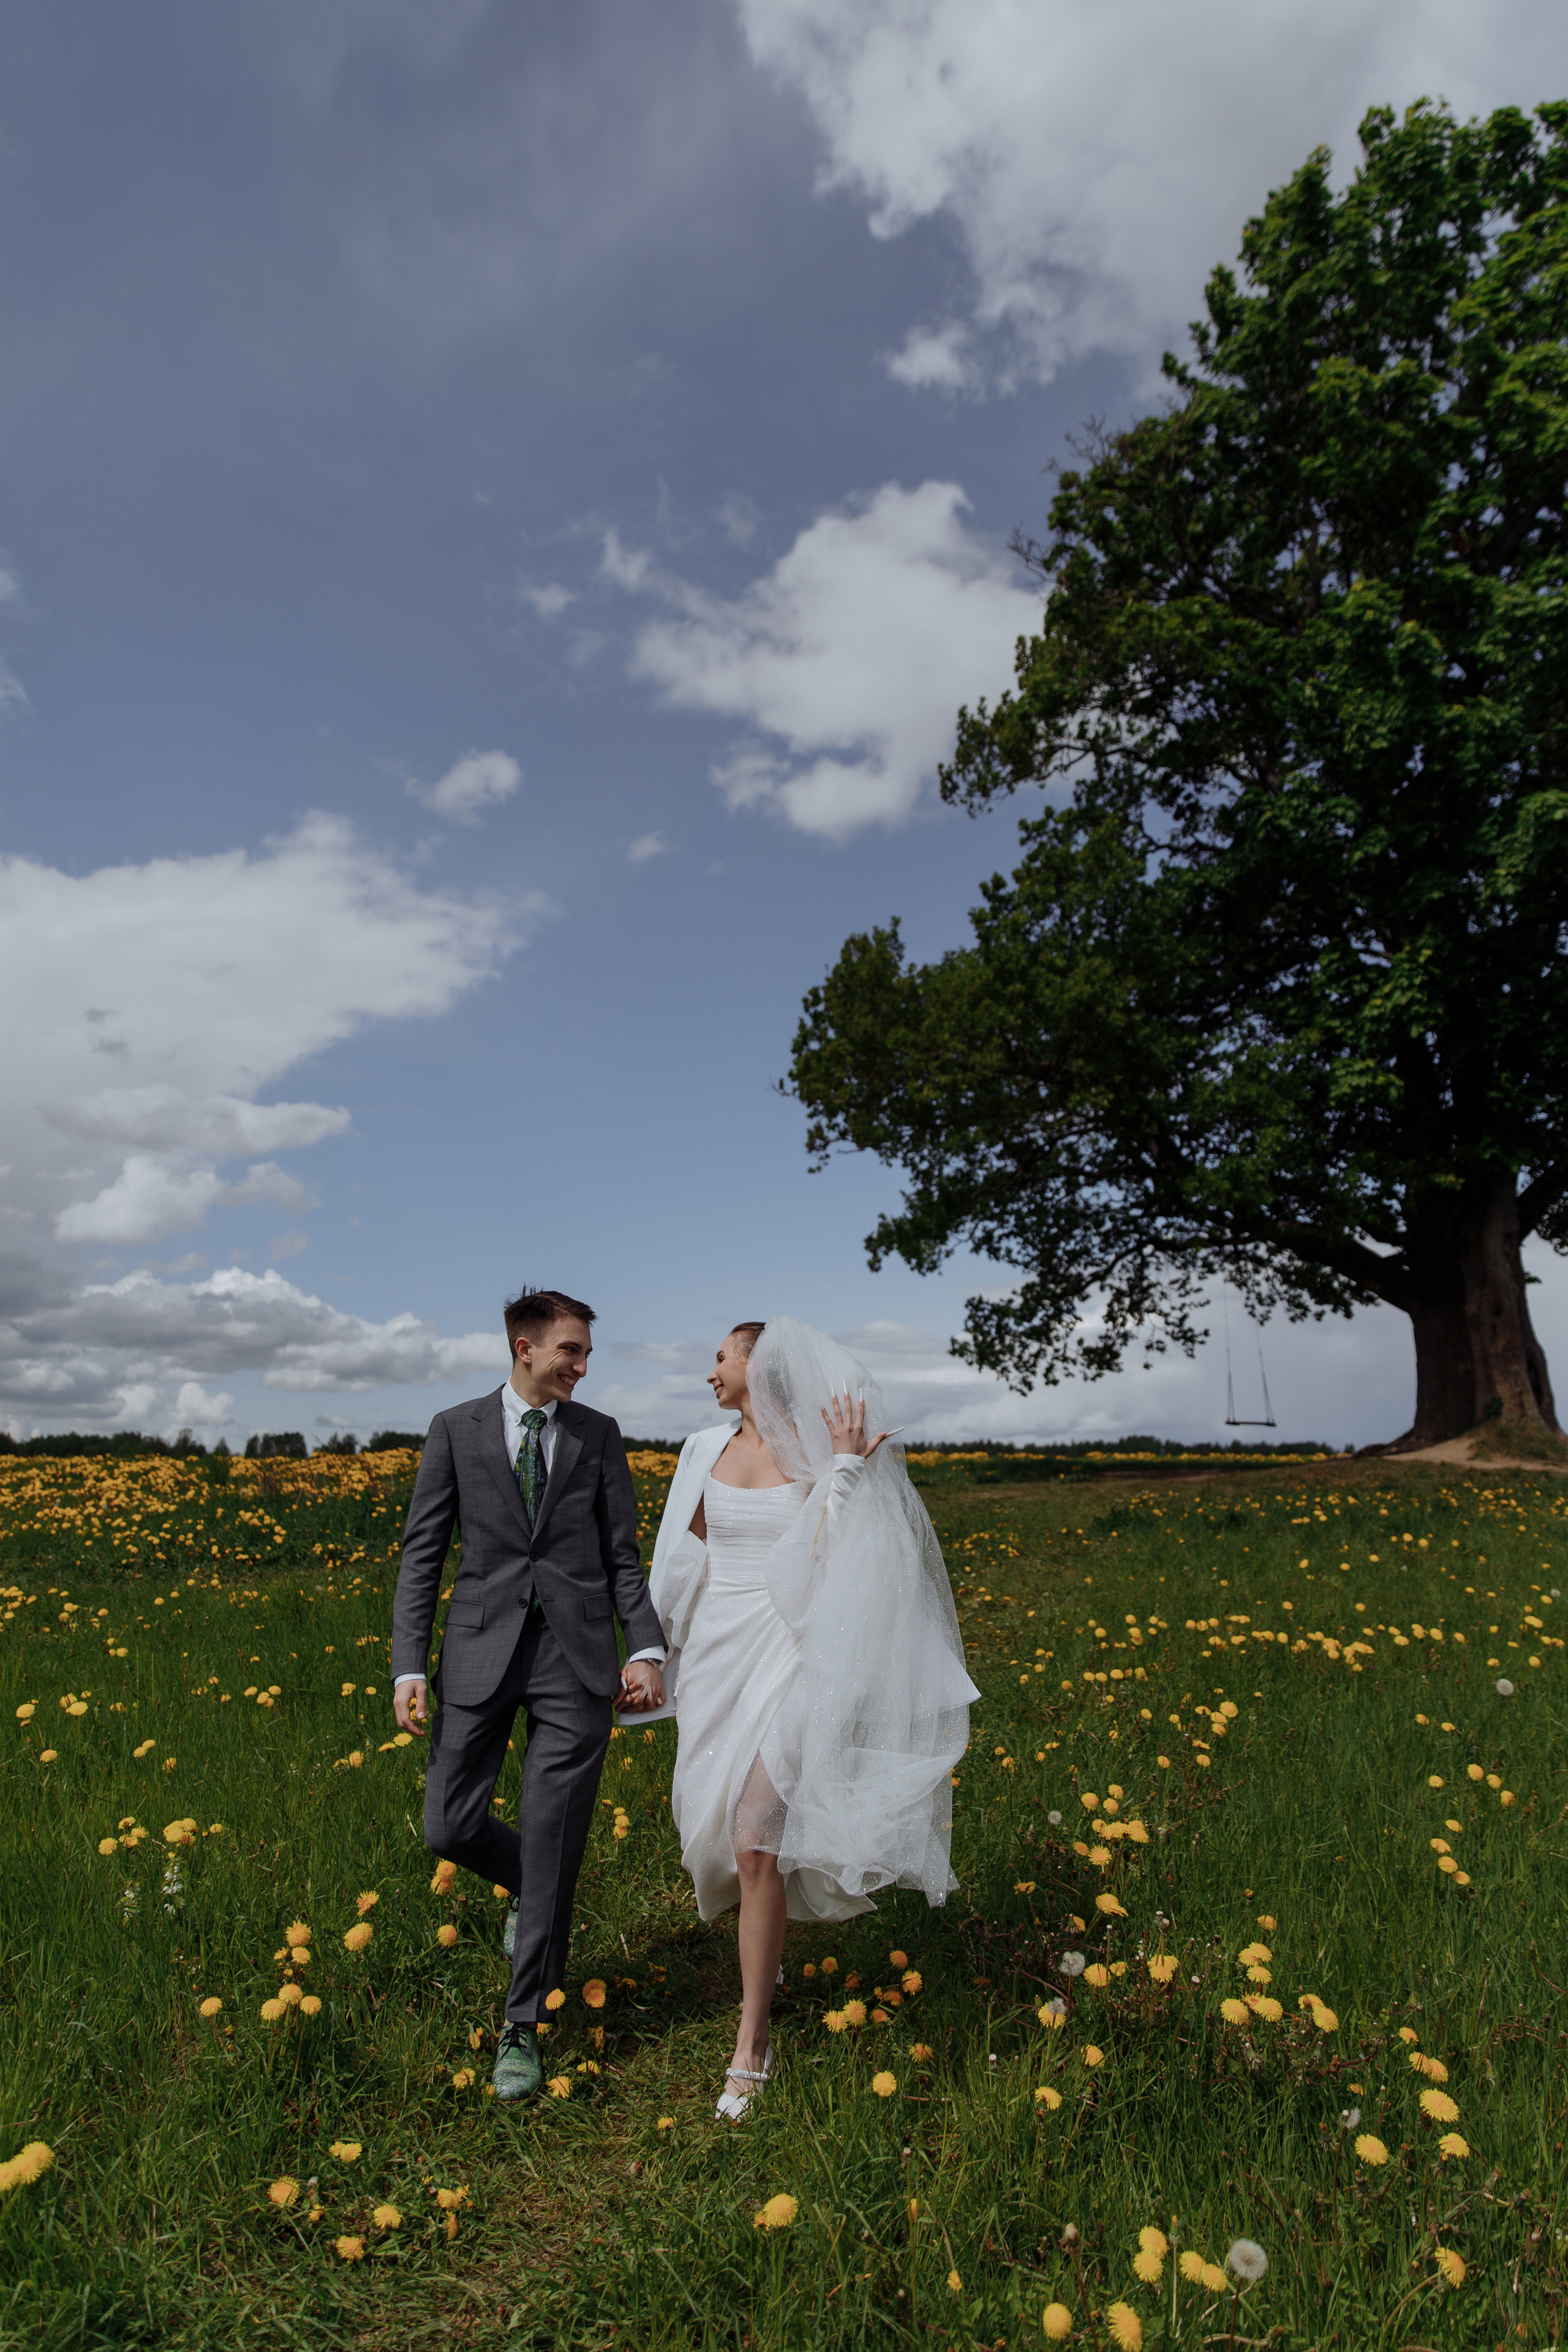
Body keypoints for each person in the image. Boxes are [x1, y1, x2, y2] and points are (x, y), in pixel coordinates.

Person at [649, 1316, 978, 2120]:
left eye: (719, 1357)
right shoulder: (702, 1451)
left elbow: (836, 1563)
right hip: (720, 1657)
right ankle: (770, 1959)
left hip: (795, 1653)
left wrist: (845, 1473)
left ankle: (750, 2045)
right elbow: (685, 1555)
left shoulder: (815, 1449)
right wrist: (652, 1658)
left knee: (758, 1836)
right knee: (716, 1827)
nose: (710, 1373)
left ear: (759, 1366)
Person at [390, 1286, 666, 2102]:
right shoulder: (456, 1430)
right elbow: (421, 1555)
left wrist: (645, 1648)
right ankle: (527, 1883)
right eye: (571, 1351)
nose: (582, 1366)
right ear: (525, 1347)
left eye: (585, 1353)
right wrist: (409, 1665)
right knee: (450, 1825)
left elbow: (624, 1556)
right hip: (477, 1653)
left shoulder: (599, 1436)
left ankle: (523, 2025)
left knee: (554, 1838)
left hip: (577, 1663)